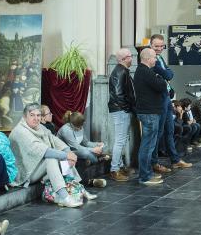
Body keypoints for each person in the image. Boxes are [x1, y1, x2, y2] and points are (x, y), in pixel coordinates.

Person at [9, 104, 84, 207]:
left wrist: (68, 152)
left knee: (61, 157)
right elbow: (45, 151)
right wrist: (66, 155)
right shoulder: (20, 131)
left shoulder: (39, 127)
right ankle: (65, 197)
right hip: (25, 173)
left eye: (38, 115)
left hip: (38, 166)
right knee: (52, 158)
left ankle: (77, 187)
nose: (36, 118)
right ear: (25, 116)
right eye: (32, 115)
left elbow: (54, 139)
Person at [150, 34, 192, 171]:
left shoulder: (160, 57)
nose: (159, 49)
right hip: (159, 99)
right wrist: (166, 73)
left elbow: (169, 72)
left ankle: (175, 159)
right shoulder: (150, 59)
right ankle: (154, 162)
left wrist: (166, 73)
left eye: (161, 46)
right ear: (151, 45)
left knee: (170, 129)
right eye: (156, 46)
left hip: (167, 97)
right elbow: (168, 75)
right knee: (159, 132)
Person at [134, 48, 167, 185]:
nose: (156, 60)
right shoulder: (145, 72)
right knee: (147, 146)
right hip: (149, 113)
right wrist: (160, 78)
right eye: (154, 57)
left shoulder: (144, 71)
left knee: (149, 144)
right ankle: (145, 177)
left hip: (149, 112)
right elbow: (161, 86)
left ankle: (146, 173)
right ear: (147, 58)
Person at [57, 110, 109, 188]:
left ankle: (95, 158)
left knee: (101, 147)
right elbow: (76, 147)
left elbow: (86, 142)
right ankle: (97, 160)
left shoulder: (80, 127)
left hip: (76, 150)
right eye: (78, 127)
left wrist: (97, 144)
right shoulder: (66, 130)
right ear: (72, 124)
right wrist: (93, 149)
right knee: (86, 153)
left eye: (81, 126)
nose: (80, 128)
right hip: (66, 152)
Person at [107, 47, 136, 181]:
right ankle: (114, 169)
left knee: (122, 139)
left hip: (120, 109)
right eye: (130, 56)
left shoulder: (122, 70)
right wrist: (126, 108)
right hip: (120, 110)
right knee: (119, 140)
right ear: (124, 59)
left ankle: (120, 165)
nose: (132, 58)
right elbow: (118, 94)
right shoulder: (120, 71)